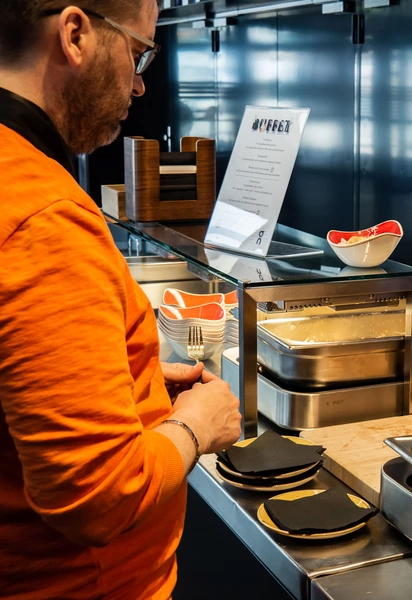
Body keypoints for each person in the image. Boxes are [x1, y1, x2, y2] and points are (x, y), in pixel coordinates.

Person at [0, 2, 242, 598]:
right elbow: (99, 499)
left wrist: (131, 382)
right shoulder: (45, 218)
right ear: (75, 34)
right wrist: (196, 426)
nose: (138, 84)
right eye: (138, 53)